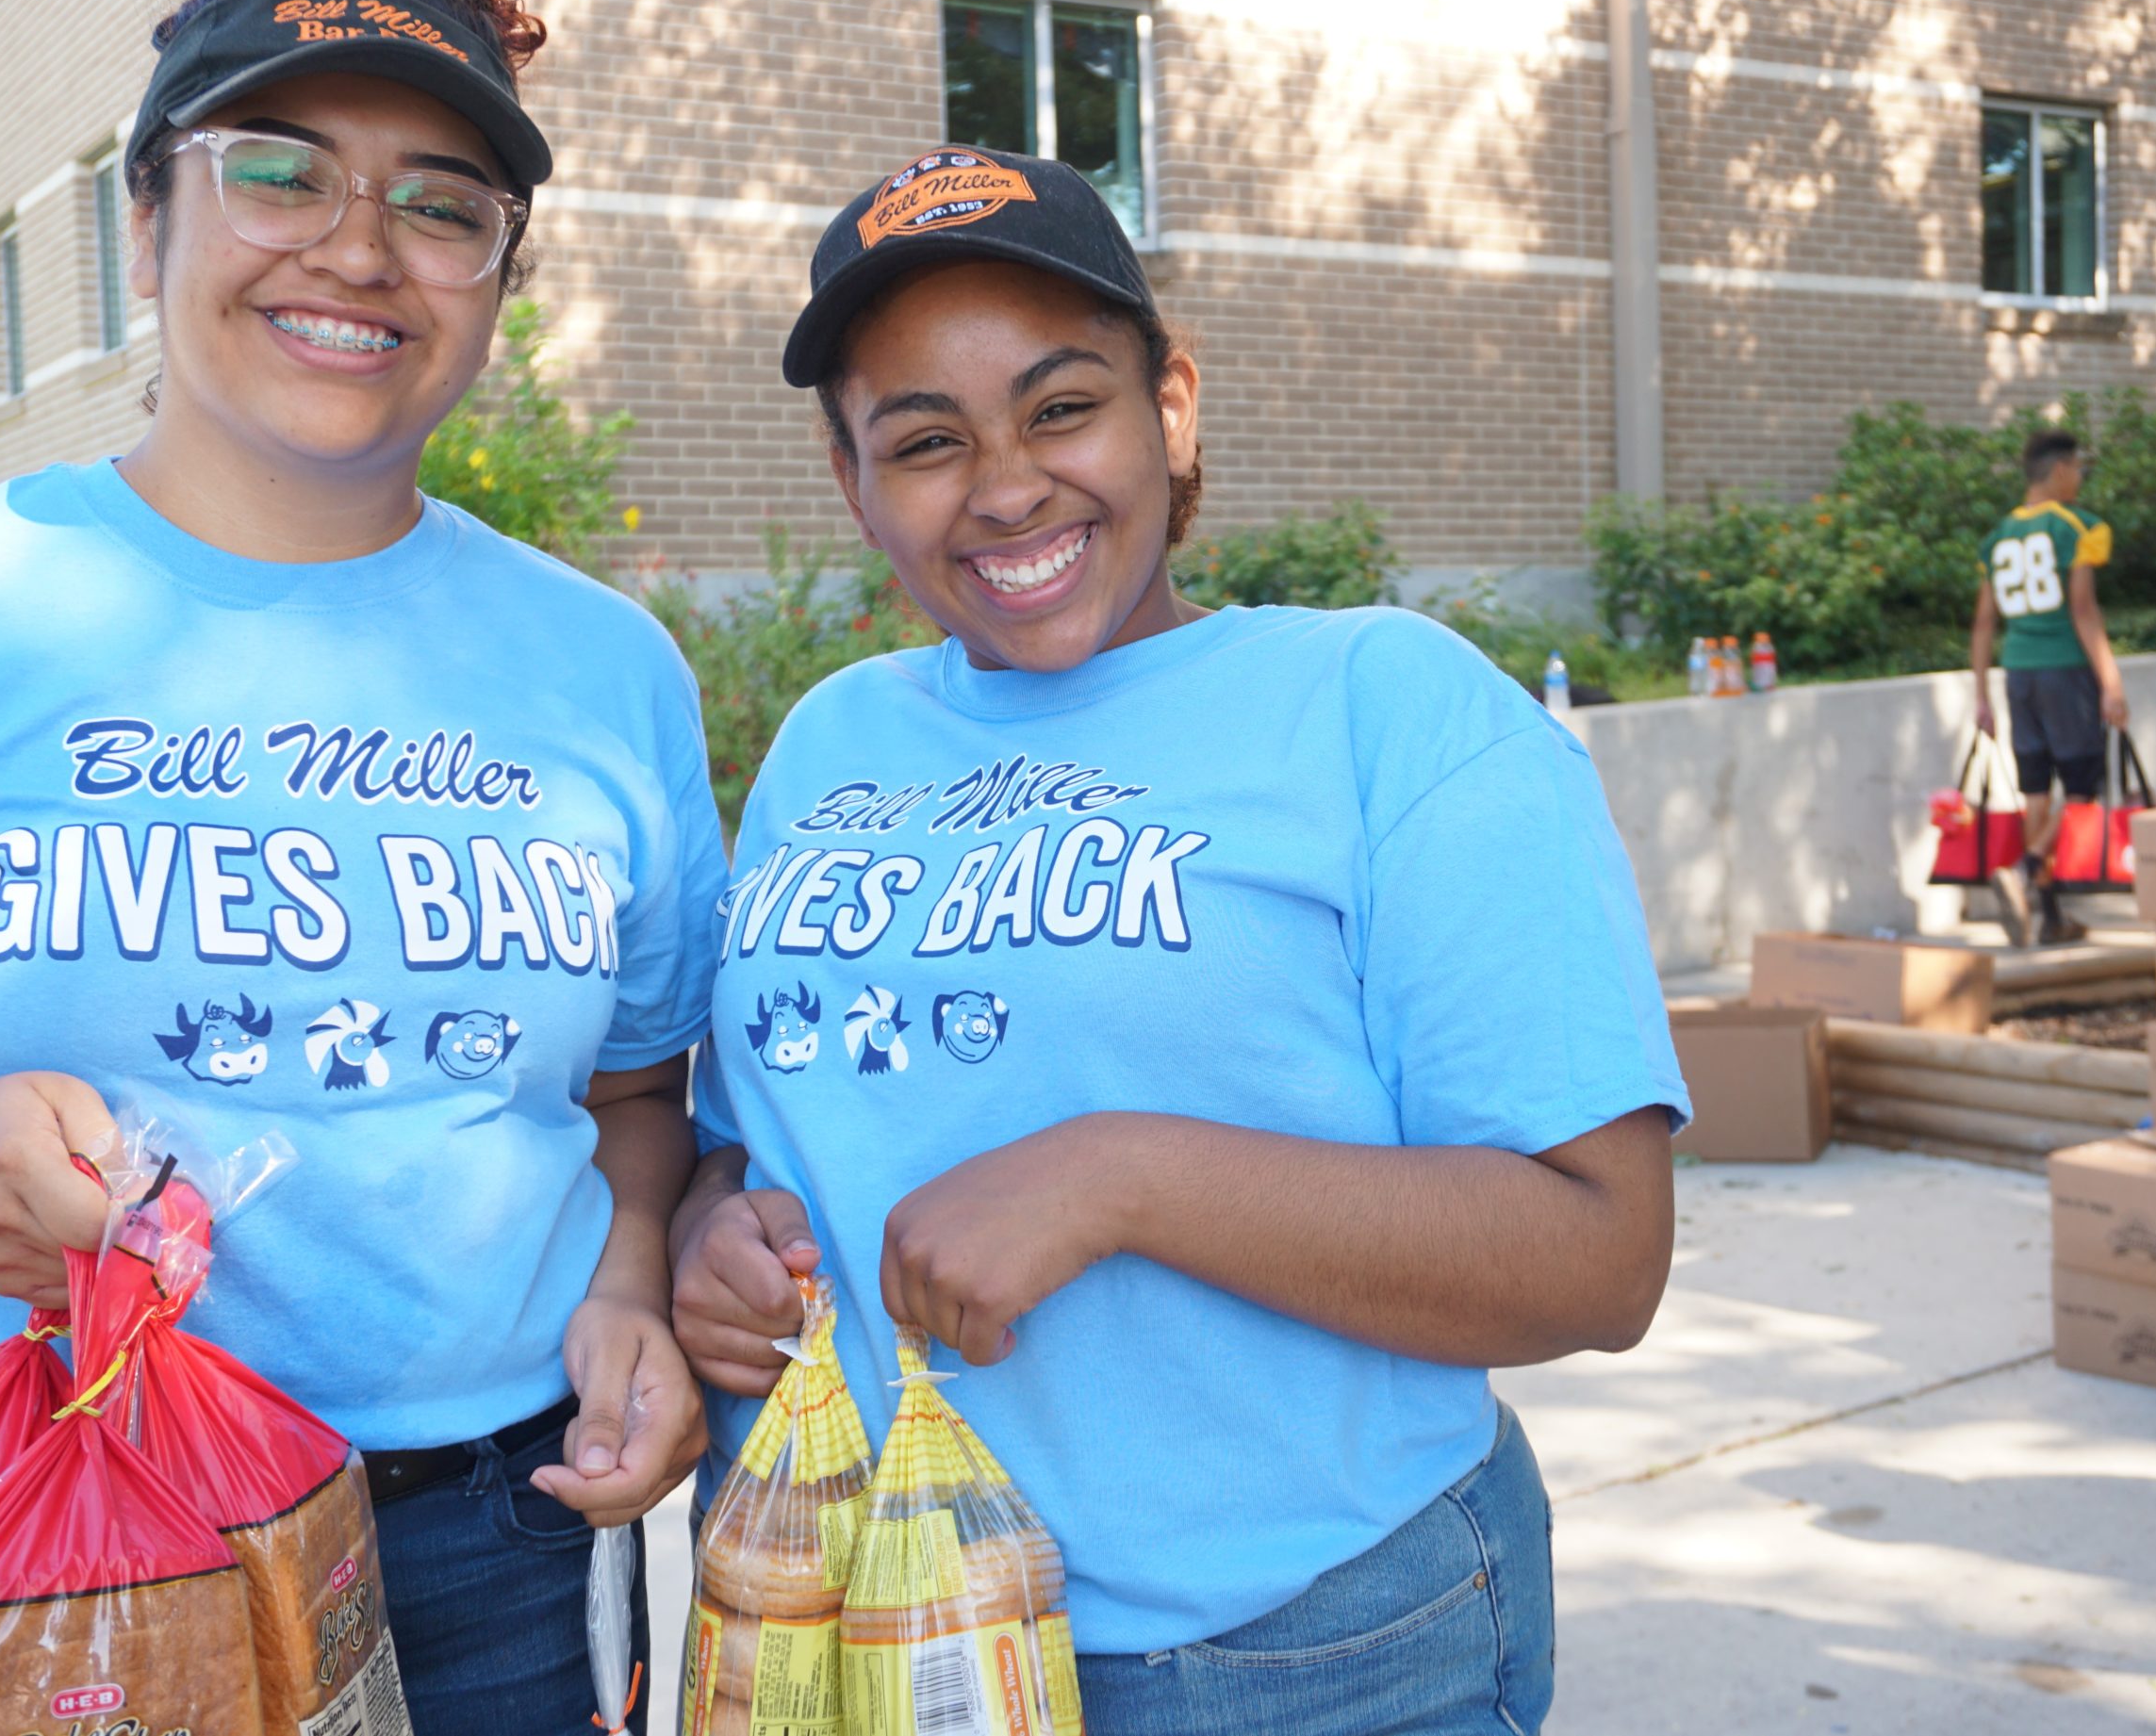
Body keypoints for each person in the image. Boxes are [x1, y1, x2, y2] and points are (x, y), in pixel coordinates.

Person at [0, 0, 723, 1728]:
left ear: (495, 277)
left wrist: (630, 1281)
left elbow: (633, 1087)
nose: (359, 247)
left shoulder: (609, 672)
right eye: (278, 170)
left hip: (494, 1557)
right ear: (144, 227)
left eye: (441, 205)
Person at [667, 147, 1687, 1736]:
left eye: (1061, 408)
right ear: (852, 481)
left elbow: (1599, 1254)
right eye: (926, 442)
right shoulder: (829, 738)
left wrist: (1123, 1177)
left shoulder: (1388, 707)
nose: (1004, 485)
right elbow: (742, 1138)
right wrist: (708, 1248)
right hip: (861, 1640)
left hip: (1287, 1653)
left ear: (1174, 407)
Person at [1971, 427, 2129, 944]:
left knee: (2036, 789)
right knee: (2082, 788)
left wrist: (1981, 695)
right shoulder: (2078, 527)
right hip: (2065, 671)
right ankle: (2025, 867)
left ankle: (2049, 918)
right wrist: (2111, 681)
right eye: (2078, 468)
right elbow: (2083, 612)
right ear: (2060, 470)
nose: (2080, 477)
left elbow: (1983, 624)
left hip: (2019, 674)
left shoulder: (1996, 538)